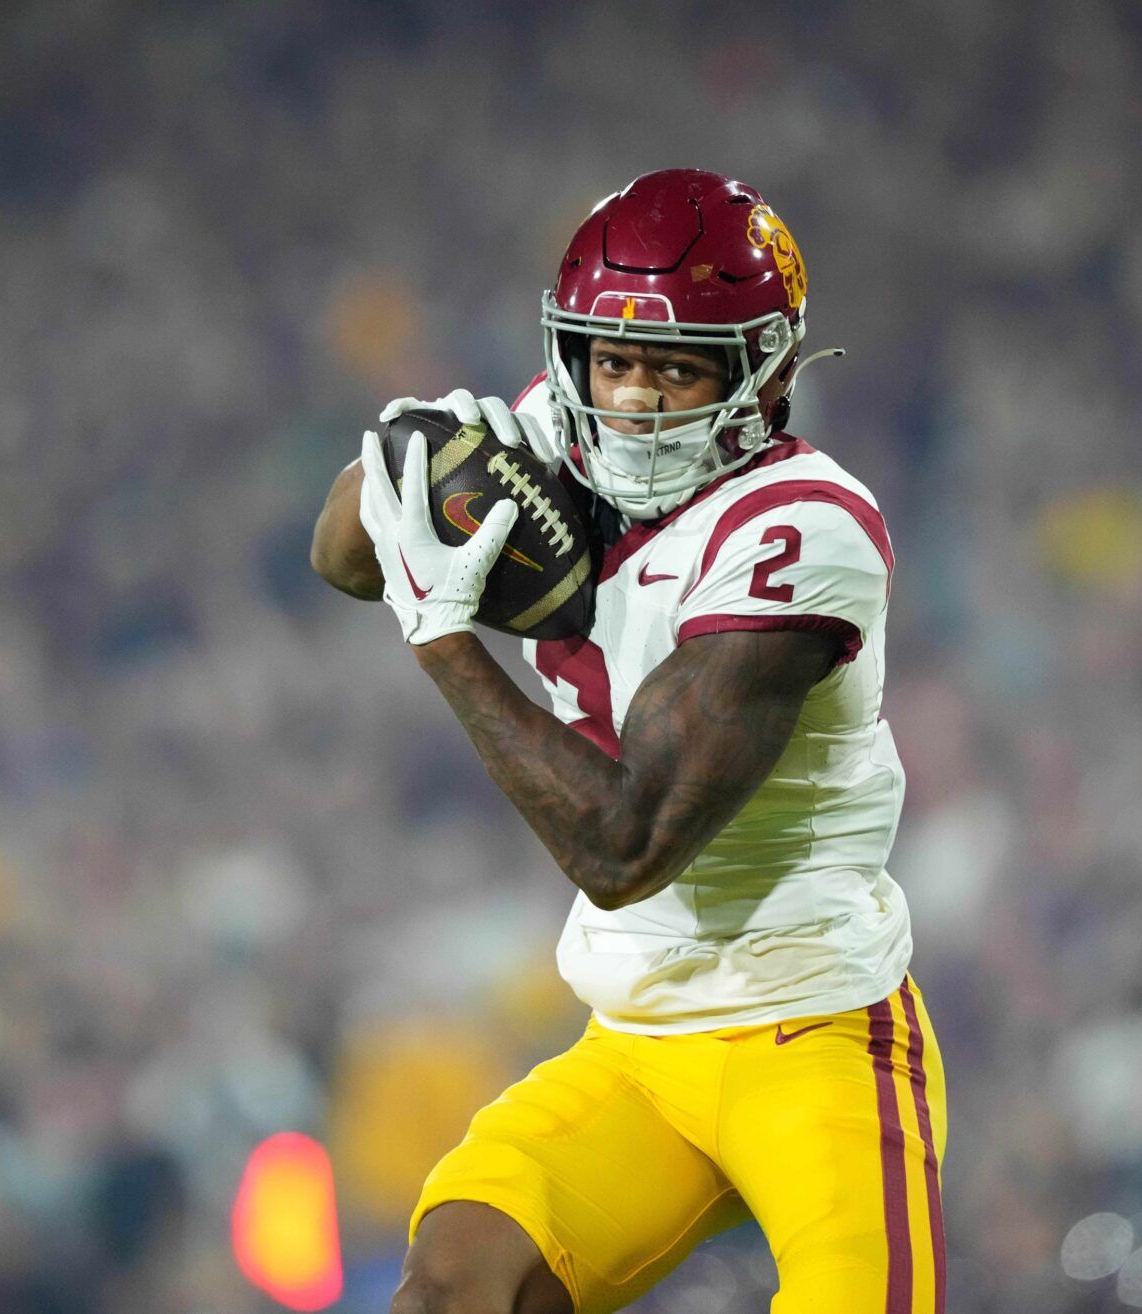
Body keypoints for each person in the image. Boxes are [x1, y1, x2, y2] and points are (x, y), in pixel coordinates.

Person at [311, 168, 945, 1314]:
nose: (639, 399)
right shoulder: (561, 430)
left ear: (766, 374)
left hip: (813, 1028)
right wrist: (414, 453)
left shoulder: (804, 529)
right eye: (616, 360)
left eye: (678, 366)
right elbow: (341, 554)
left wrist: (448, 641)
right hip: (641, 1040)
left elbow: (626, 845)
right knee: (454, 1290)